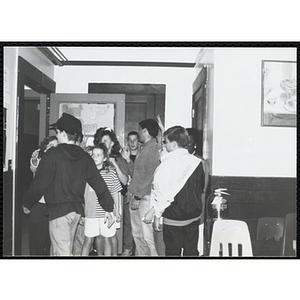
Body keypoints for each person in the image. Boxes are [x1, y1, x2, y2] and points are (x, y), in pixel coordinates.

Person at [22, 113, 115, 256]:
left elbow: (39, 184)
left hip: (59, 212)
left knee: (61, 253)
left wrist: (27, 202)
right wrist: (109, 208)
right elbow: (99, 184)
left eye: (58, 132)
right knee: (64, 249)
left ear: (64, 133)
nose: (57, 135)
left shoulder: (53, 154)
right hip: (76, 212)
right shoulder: (85, 157)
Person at [144, 126, 205, 256]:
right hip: (193, 217)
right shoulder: (197, 162)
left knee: (172, 253)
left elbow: (162, 194)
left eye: (165, 142)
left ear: (173, 144)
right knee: (192, 252)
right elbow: (200, 188)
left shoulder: (167, 164)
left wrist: (157, 215)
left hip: (173, 219)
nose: (164, 146)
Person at [94, 127, 134, 256]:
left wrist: (114, 164)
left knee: (111, 234)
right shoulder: (97, 157)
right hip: (98, 200)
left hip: (115, 198)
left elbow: (124, 181)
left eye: (106, 140)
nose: (103, 143)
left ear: (112, 143)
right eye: (101, 141)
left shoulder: (118, 158)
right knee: (99, 234)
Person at [81, 144, 122, 256]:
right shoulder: (86, 174)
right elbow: (82, 195)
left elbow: (115, 193)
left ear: (104, 158)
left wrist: (117, 211)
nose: (95, 157)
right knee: (88, 241)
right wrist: (82, 213)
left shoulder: (110, 173)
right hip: (90, 213)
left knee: (107, 240)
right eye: (93, 155)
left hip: (107, 213)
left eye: (98, 155)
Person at [128, 119, 161, 256]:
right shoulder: (144, 148)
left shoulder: (153, 149)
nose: (139, 132)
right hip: (136, 197)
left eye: (140, 130)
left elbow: (151, 176)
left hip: (144, 198)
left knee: (148, 237)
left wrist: (138, 196)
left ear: (145, 131)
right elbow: (137, 174)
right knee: (138, 235)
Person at [27, 136, 58, 256]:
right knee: (36, 240)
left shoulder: (59, 161)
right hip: (38, 204)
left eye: (56, 146)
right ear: (44, 149)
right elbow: (33, 167)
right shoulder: (39, 159)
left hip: (53, 205)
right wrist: (35, 158)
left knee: (50, 240)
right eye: (50, 146)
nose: (53, 149)